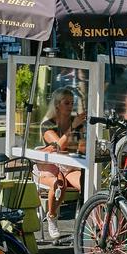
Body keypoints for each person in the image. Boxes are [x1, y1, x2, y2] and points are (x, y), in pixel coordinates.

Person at [38, 87, 85, 239]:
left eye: (72, 103)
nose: (71, 106)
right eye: (67, 103)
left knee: (86, 184)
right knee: (59, 184)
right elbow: (58, 145)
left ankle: (85, 220)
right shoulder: (47, 124)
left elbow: (82, 146)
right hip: (51, 165)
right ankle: (51, 216)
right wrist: (74, 126)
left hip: (70, 165)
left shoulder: (75, 122)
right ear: (57, 104)